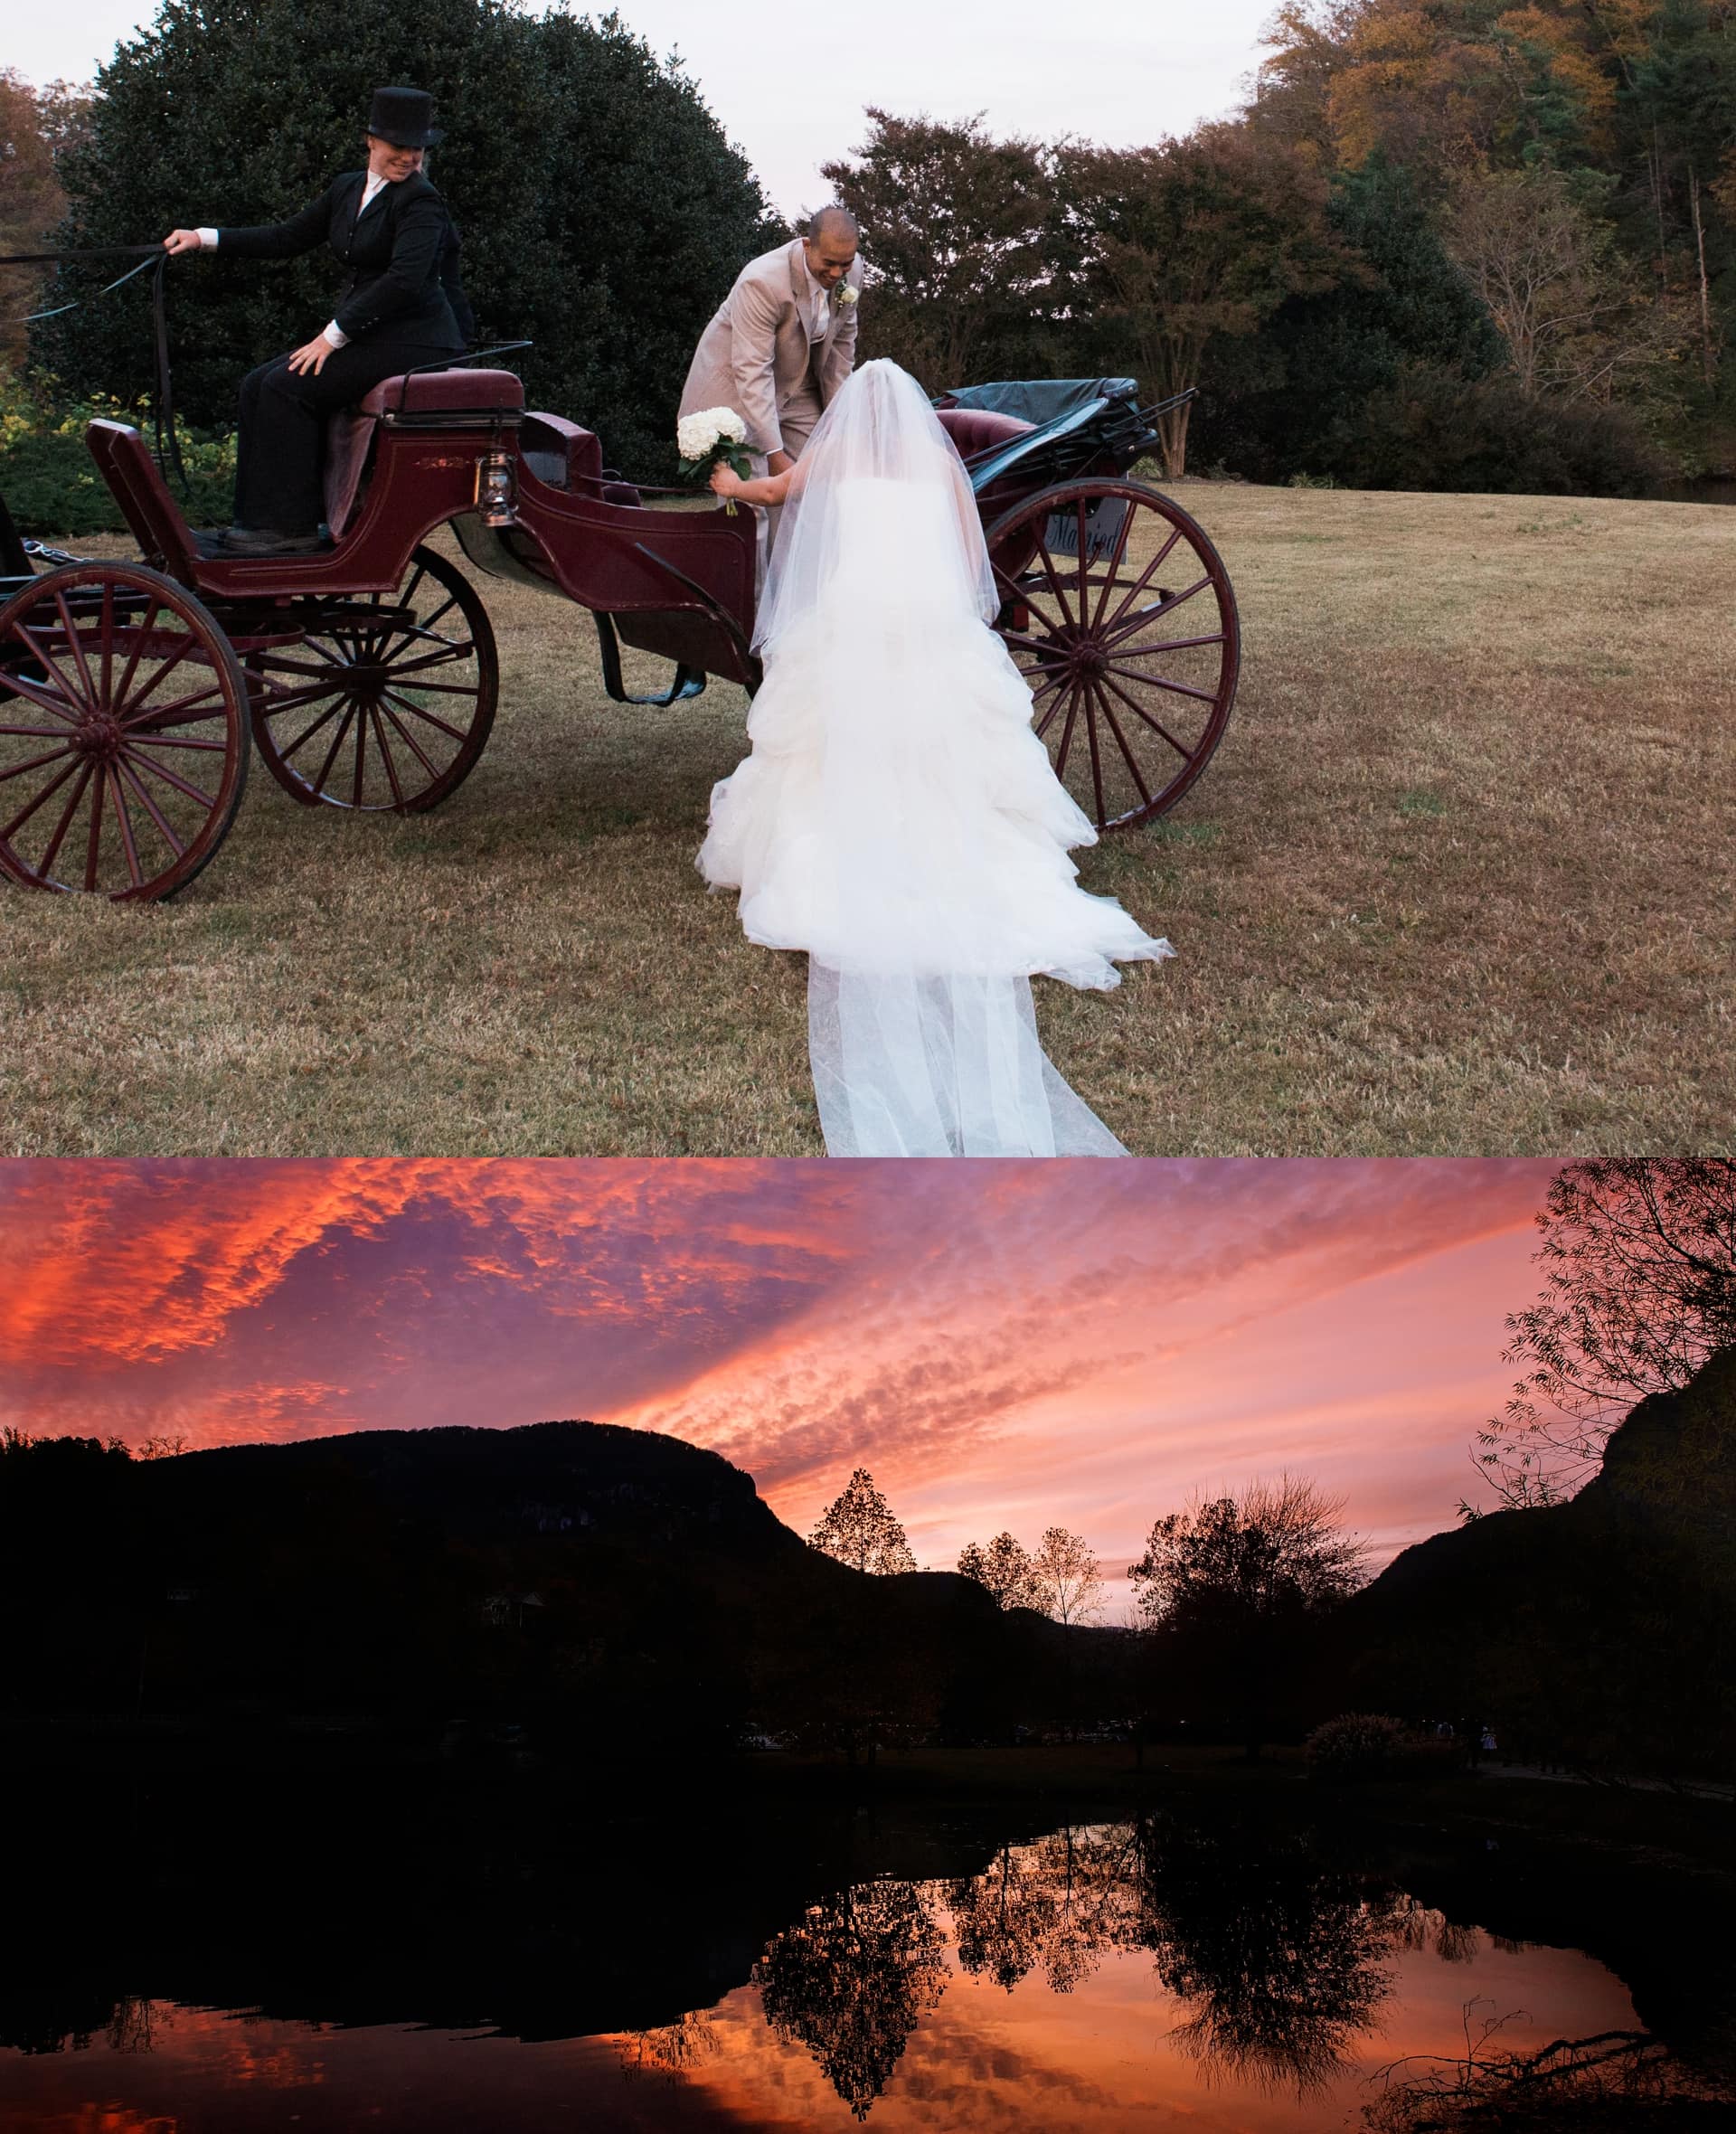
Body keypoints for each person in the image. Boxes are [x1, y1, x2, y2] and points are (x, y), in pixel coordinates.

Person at [697, 359, 1174, 1157]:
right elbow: (967, 553)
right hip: (927, 626)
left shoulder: (837, 459)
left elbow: (777, 495)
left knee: (816, 736)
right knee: (945, 742)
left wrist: (724, 478)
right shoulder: (939, 470)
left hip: (853, 624)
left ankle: (845, 845)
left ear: (852, 417)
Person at [163, 87, 467, 554]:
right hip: (373, 331)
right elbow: (287, 236)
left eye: (417, 148)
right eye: (398, 147)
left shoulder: (421, 202)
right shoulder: (348, 188)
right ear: (370, 141)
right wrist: (203, 238)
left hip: (416, 340)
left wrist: (332, 337)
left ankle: (295, 528)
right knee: (256, 384)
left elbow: (405, 281)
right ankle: (257, 523)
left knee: (289, 386)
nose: (408, 157)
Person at [678, 207, 863, 541]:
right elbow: (752, 371)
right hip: (736, 391)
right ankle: (749, 592)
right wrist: (776, 456)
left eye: (845, 263)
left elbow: (841, 354)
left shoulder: (855, 271)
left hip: (797, 389)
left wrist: (837, 424)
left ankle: (795, 590)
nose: (838, 273)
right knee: (752, 503)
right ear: (807, 246)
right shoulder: (762, 281)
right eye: (829, 263)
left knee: (817, 481)